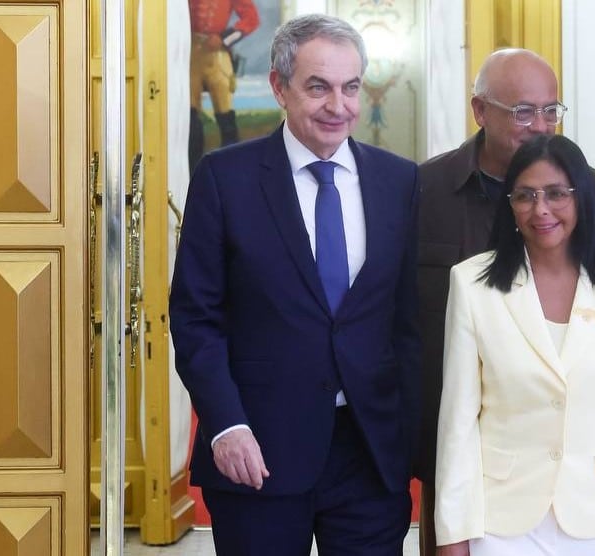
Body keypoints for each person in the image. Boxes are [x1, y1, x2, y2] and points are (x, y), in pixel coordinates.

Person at [170, 14, 420, 555]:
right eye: (318, 87)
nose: (339, 106)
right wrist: (225, 424)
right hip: (258, 451)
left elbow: (409, 321)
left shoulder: (400, 181)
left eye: (350, 87)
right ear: (281, 88)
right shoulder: (224, 178)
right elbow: (195, 318)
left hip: (369, 453)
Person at [416, 48, 595, 555]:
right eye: (523, 112)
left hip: (577, 464)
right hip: (453, 443)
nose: (540, 126)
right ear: (479, 110)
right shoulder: (426, 189)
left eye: (551, 110)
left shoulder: (594, 192)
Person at [434, 134, 595, 556]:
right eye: (525, 195)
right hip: (501, 522)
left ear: (581, 198)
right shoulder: (472, 283)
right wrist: (452, 534)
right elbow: (457, 422)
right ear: (509, 205)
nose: (540, 209)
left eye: (556, 194)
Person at [188, 0, 260, 170]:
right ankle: (193, 171)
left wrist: (224, 38)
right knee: (191, 116)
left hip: (217, 54)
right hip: (190, 53)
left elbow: (251, 19)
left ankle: (231, 169)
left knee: (225, 113)